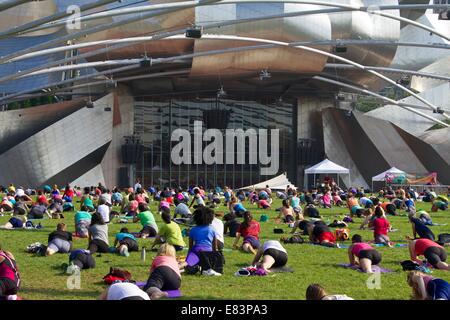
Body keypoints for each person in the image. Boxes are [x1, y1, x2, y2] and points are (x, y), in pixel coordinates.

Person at [180, 206, 221, 276]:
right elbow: (215, 248)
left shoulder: (193, 230)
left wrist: (188, 259)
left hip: (196, 252)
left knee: (186, 265)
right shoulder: (212, 229)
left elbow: (190, 247)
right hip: (208, 253)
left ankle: (177, 268)